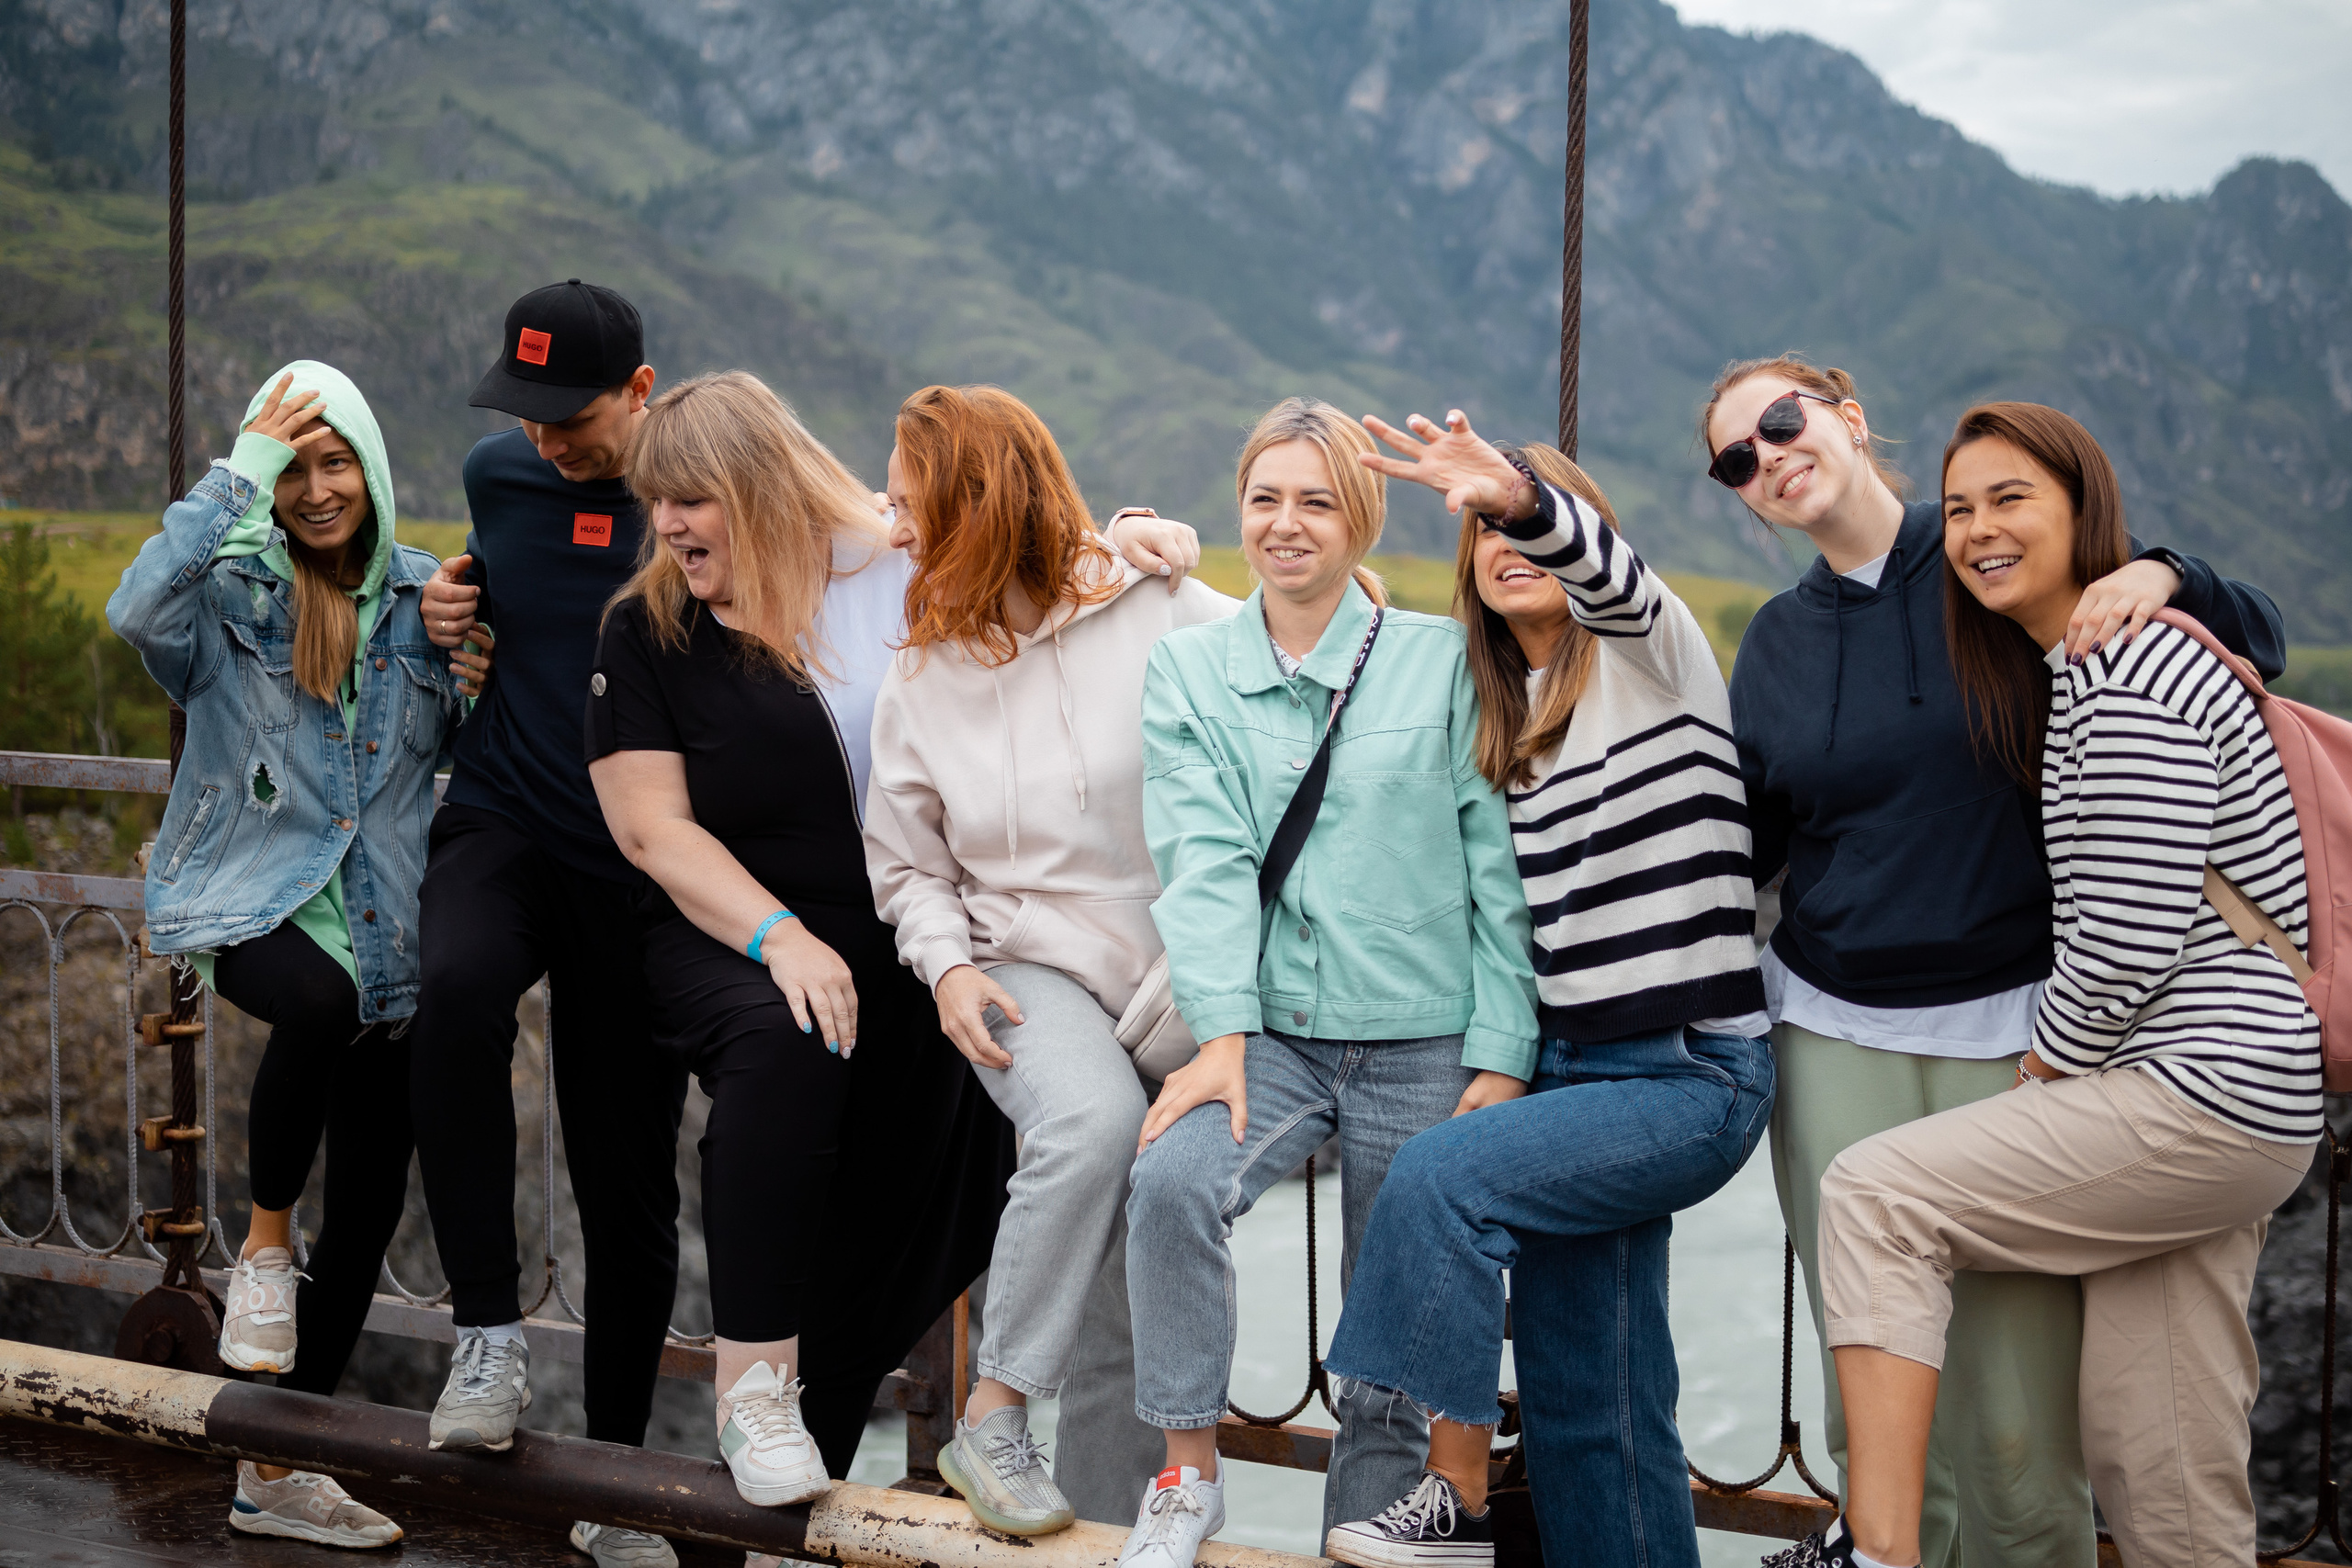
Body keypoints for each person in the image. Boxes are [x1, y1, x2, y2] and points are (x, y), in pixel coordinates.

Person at [1707, 355, 2285, 1568]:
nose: (1767, 456)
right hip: (1833, 1025)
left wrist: (2162, 568)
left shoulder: (1991, 559)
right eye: (1735, 457)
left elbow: (2246, 634)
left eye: (1780, 420)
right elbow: (1744, 846)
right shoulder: (1776, 643)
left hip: (2033, 1032)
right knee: (1874, 1373)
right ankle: (1887, 1545)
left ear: (1847, 413)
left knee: (2023, 1418)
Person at [1316, 420, 1775, 1568]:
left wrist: (1519, 496)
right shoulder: (1501, 717)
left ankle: (1454, 1496)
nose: (1498, 540)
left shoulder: (1653, 660)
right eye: (1478, 529)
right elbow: (1325, 648)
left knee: (1437, 1176)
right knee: (1598, 1411)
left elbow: (1607, 580)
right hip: (1572, 1075)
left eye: (1516, 520)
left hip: (1684, 1072)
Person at [1116, 397, 1538, 1568]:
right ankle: (1186, 1476)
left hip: (1427, 1036)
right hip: (1270, 1035)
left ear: (1358, 518)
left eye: (1315, 501)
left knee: (1389, 1327)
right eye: (1264, 499)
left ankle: (1368, 1531)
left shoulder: (1446, 659)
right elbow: (1198, 863)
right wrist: (1219, 1036)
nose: (1285, 525)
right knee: (1171, 1181)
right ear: (1237, 513)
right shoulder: (1188, 671)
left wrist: (1504, 1051)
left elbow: (1497, 870)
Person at [108, 363, 489, 1550]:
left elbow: (486, 746)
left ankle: (277, 1464)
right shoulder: (229, 593)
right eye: (299, 468)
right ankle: (263, 1245)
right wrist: (239, 472)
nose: (319, 490)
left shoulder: (429, 597)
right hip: (252, 902)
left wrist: (476, 677)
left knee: (371, 1205)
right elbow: (134, 611)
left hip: (390, 923)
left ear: (372, 472)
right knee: (316, 1006)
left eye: (338, 465)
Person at [863, 384, 1236, 1536]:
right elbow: (907, 867)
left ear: (977, 503)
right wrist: (946, 969)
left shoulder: (1156, 603)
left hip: (1177, 978)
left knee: (1138, 1271)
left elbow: (1320, 640)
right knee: (1086, 1125)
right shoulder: (923, 671)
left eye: (910, 497)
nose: (893, 522)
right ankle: (993, 1413)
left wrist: (1162, 550)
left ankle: (1115, 1533)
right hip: (1020, 961)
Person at [408, 279, 690, 1568]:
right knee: (452, 985)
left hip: (639, 866)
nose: (543, 440)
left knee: (623, 1174)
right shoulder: (495, 476)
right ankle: (486, 1339)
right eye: (522, 412)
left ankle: (620, 1474)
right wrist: (442, 613)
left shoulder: (701, 501)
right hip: (507, 813)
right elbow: (487, 603)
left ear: (639, 392)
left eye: (568, 417)